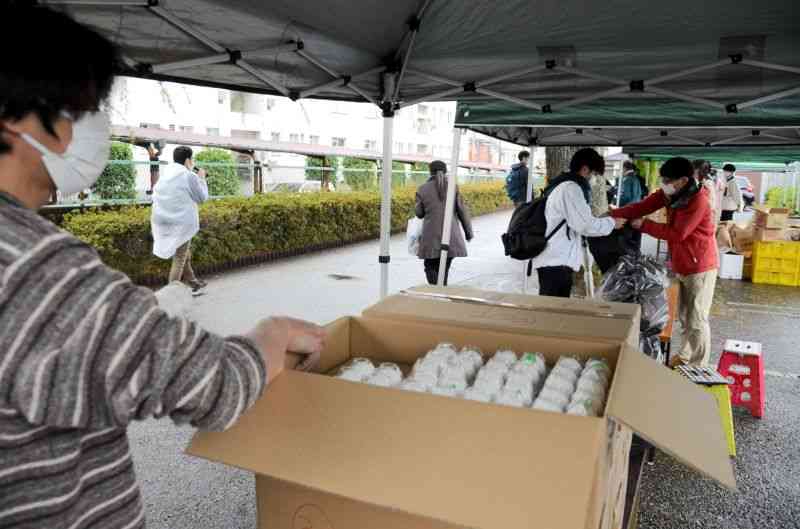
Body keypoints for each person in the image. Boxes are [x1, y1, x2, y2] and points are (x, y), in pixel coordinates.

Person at [0, 6, 325, 529]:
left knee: (180, 264)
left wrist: (117, 320)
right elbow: (211, 386)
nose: (87, 129)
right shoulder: (38, 266)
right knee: (182, 263)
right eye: (76, 109)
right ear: (15, 117)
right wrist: (273, 331)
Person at [609, 157, 718, 367]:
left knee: (697, 319)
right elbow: (641, 206)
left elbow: (678, 234)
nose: (664, 183)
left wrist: (644, 225)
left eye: (669, 180)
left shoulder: (698, 201)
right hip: (682, 263)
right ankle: (686, 356)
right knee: (685, 316)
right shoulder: (671, 194)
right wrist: (612, 214)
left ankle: (699, 366)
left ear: (684, 180)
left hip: (700, 266)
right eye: (664, 179)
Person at [531, 148, 626, 297]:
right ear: (585, 169)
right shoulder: (571, 189)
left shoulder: (565, 185)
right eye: (594, 174)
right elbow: (584, 225)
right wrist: (612, 223)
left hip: (556, 260)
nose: (594, 178)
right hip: (555, 261)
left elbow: (579, 220)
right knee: (552, 312)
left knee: (555, 309)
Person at [151, 145, 209, 291]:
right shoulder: (189, 176)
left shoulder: (166, 174)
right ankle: (171, 293)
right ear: (188, 160)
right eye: (192, 159)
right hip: (181, 222)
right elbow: (201, 198)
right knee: (180, 257)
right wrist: (201, 178)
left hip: (163, 220)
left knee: (183, 252)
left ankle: (193, 281)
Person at [415, 160, 474, 285]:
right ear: (446, 171)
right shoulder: (453, 187)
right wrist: (468, 233)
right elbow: (462, 211)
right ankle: (442, 291)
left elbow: (419, 213)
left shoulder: (422, 189)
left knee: (430, 267)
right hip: (451, 237)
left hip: (431, 238)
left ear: (430, 172)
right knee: (444, 270)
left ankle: (438, 292)